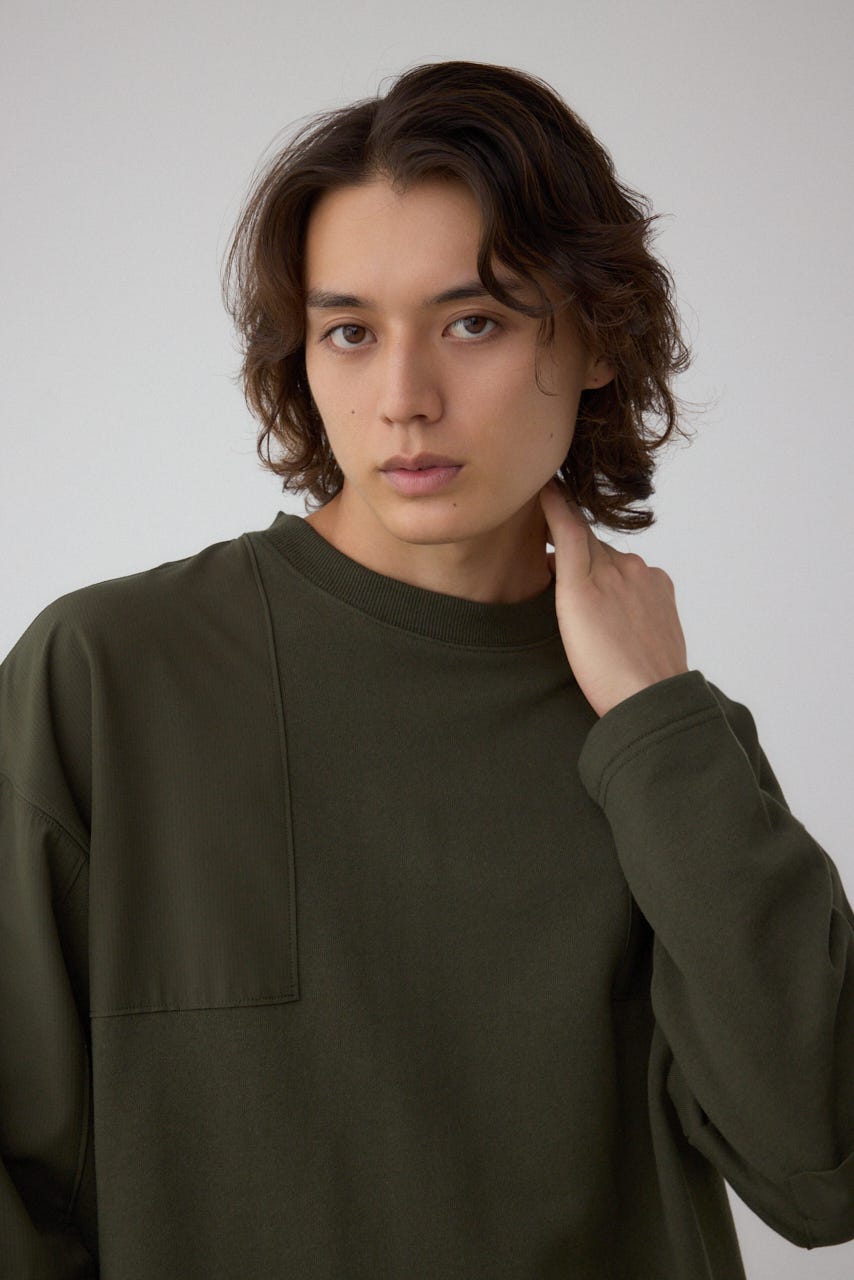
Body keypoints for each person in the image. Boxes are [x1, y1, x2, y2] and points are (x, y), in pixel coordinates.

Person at [1, 58, 852, 1280]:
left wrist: (657, 722)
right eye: (349, 331)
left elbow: (821, 1169)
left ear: (597, 337)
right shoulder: (106, 676)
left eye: (473, 322)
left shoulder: (664, 741)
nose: (403, 398)